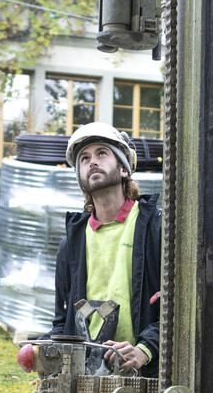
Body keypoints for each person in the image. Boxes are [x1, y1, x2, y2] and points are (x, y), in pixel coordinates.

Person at [48, 121, 160, 372]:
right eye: (84, 158)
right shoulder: (71, 244)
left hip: (145, 374)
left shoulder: (156, 229)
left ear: (123, 168)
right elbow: (61, 322)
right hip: (86, 375)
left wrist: (144, 350)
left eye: (102, 153)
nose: (92, 161)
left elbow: (176, 310)